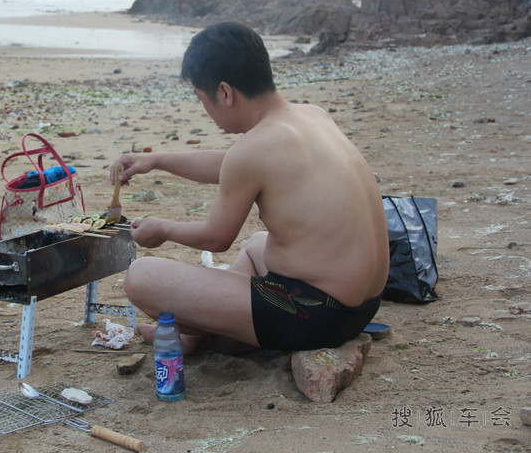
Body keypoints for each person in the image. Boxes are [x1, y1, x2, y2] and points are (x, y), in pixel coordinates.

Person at [110, 22, 389, 354]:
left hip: (317, 316)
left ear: (225, 93)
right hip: (363, 305)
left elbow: (217, 239)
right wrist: (157, 160)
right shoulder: (311, 116)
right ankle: (207, 331)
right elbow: (236, 165)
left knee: (141, 276)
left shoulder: (254, 150)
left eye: (203, 99)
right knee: (258, 244)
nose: (207, 111)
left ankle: (209, 333)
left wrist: (163, 229)